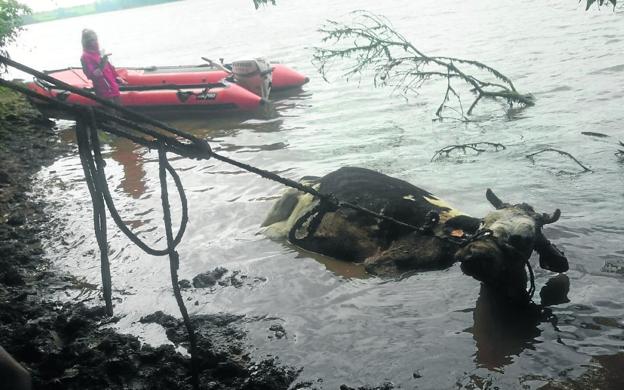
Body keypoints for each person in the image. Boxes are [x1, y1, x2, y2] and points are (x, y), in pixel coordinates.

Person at [80, 29, 125, 104]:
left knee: (120, 109)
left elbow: (110, 68)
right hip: (103, 90)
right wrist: (102, 64)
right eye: (92, 40)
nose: (96, 42)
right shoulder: (85, 57)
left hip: (113, 86)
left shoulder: (99, 52)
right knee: (112, 112)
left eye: (96, 39)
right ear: (86, 42)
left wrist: (117, 77)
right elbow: (92, 75)